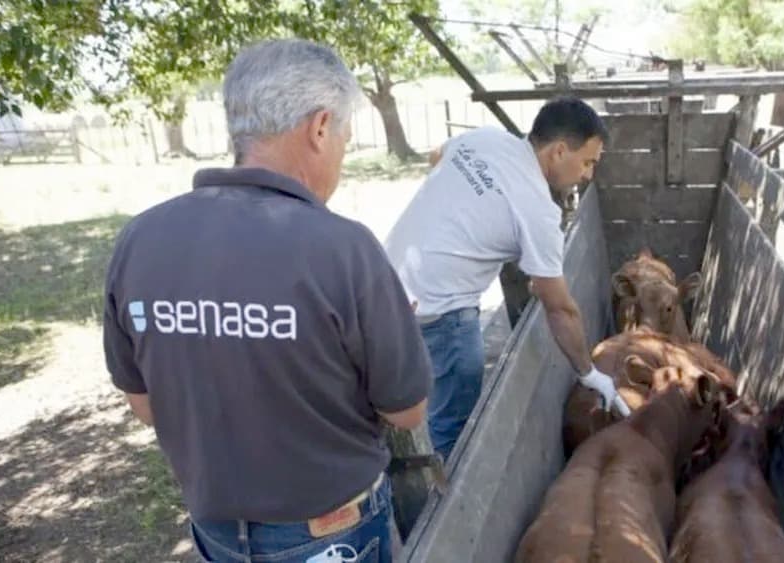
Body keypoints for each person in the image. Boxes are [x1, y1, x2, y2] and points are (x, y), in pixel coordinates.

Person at [102, 39, 432, 563]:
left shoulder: (141, 238)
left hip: (214, 529)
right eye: (344, 136)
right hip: (330, 535)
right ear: (321, 127)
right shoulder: (344, 248)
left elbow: (145, 406)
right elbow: (408, 411)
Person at [384, 96, 629, 461]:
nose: (588, 174)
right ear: (559, 151)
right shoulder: (539, 213)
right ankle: (436, 509)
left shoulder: (485, 139)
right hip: (442, 314)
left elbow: (436, 157)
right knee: (448, 429)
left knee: (389, 407)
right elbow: (560, 309)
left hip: (383, 286)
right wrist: (589, 373)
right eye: (588, 162)